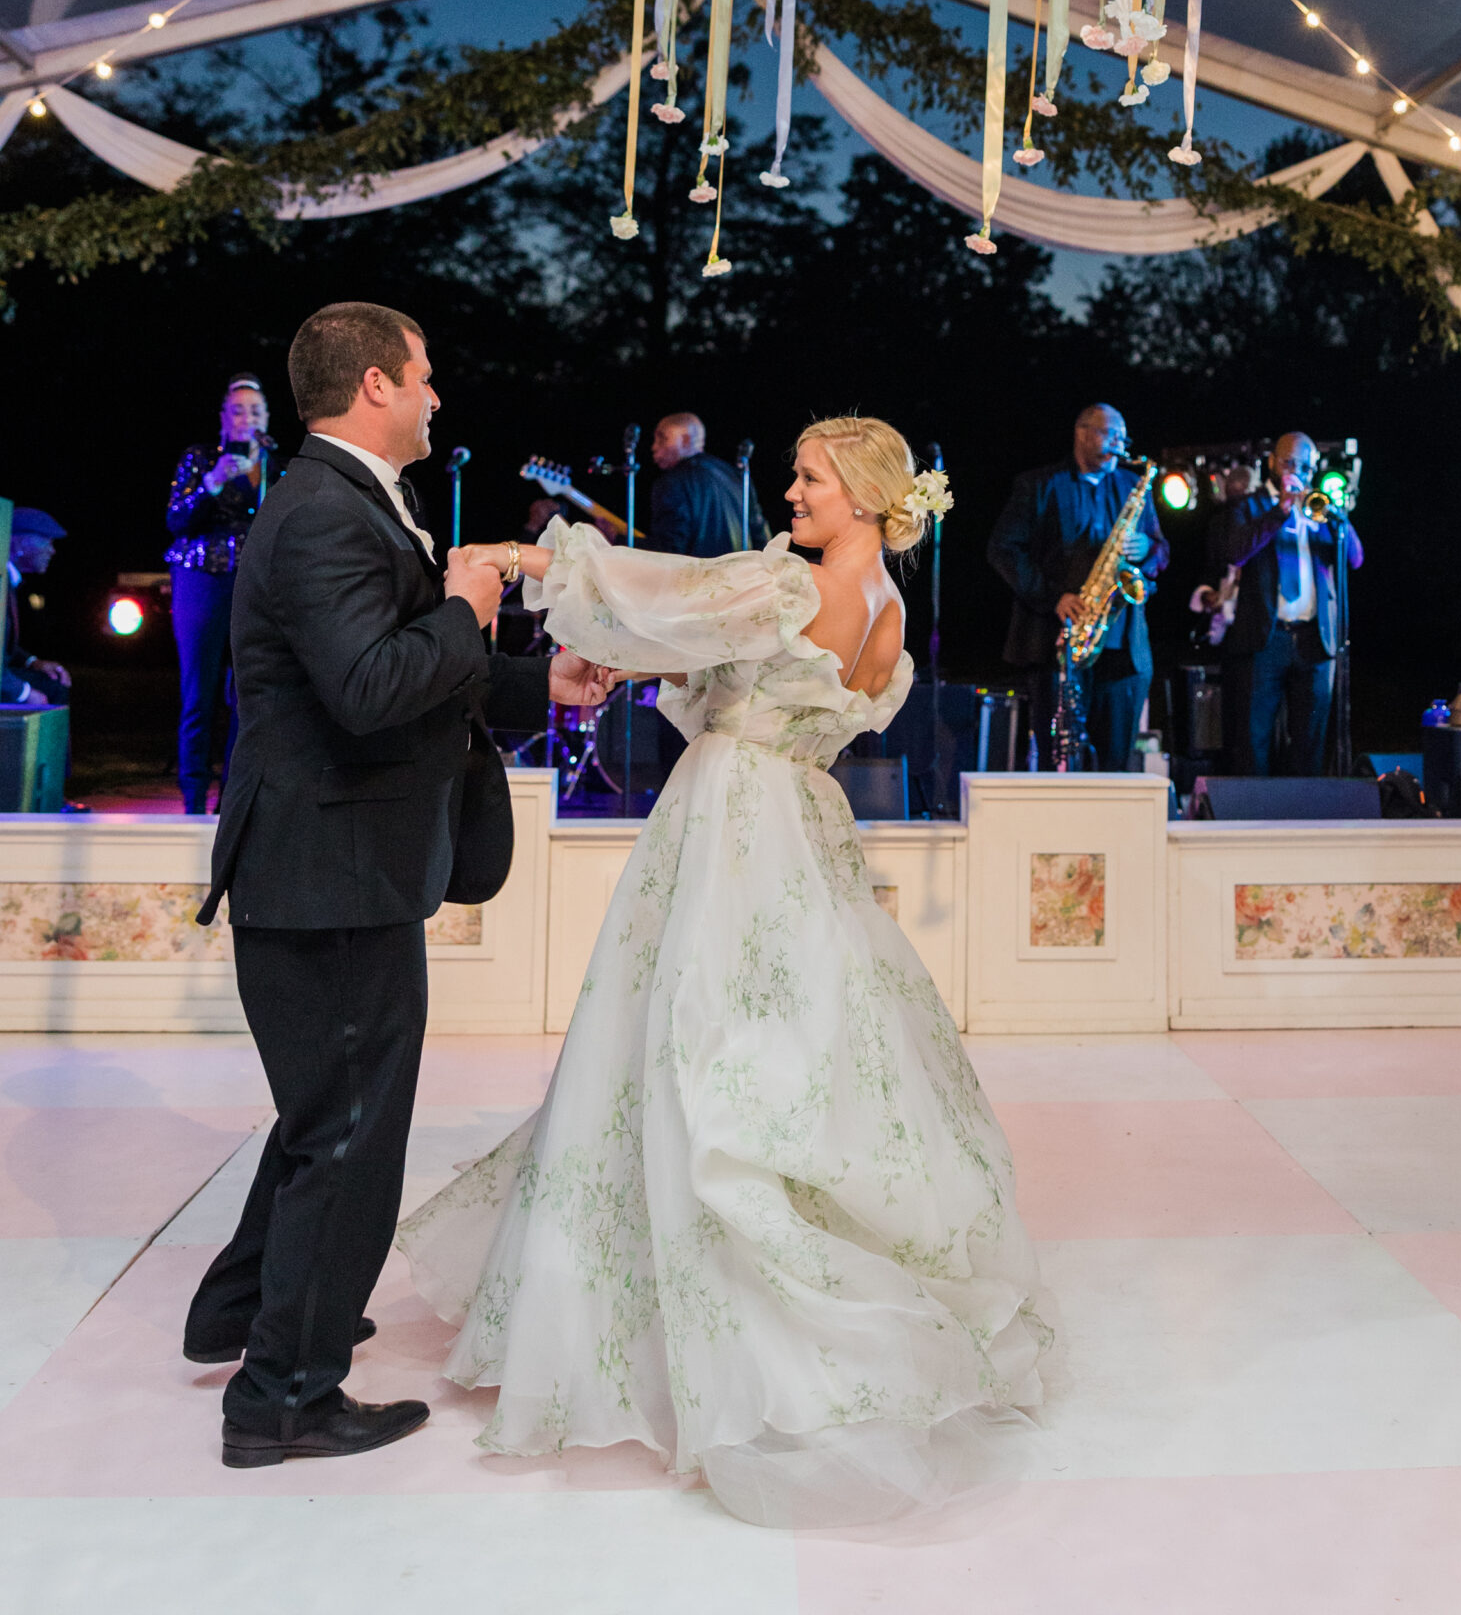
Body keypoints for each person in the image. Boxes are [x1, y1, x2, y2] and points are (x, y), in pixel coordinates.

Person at [399, 417, 1048, 1529]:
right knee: (796, 1049)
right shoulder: (889, 611)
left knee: (683, 1041)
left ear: (859, 495)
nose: (790, 492)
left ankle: (694, 1319)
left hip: (732, 820)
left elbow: (661, 590)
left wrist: (523, 559)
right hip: (804, 820)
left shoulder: (785, 589)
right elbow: (708, 647)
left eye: (808, 478)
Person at [182, 302, 605, 1471]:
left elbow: (414, 669)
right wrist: (472, 602)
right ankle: (284, 1397)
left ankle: (243, 1311)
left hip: (339, 869)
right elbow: (374, 685)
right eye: (424, 377)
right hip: (328, 875)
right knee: (349, 1133)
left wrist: (541, 685)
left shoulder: (349, 499)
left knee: (326, 1113)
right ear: (374, 383)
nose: (435, 396)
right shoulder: (322, 509)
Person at [987, 404, 1169, 769]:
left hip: (1122, 647)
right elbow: (1002, 550)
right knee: (1061, 761)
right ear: (1082, 433)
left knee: (1117, 762)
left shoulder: (1134, 485)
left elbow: (1161, 552)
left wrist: (1147, 549)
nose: (1118, 443)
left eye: (1123, 436)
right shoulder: (1039, 485)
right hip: (1059, 642)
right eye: (1109, 433)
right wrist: (1054, 597)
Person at [1212, 431, 1363, 776]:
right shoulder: (1248, 506)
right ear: (1272, 463)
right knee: (1255, 740)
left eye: (1306, 467)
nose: (1298, 472)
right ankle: (1257, 820)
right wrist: (1279, 511)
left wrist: (1338, 517)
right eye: (1290, 463)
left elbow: (1355, 558)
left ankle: (1305, 820)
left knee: (1310, 741)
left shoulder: (1320, 509)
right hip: (1266, 639)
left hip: (1315, 640)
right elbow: (1235, 552)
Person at [165, 376, 277, 813]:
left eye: (255, 410)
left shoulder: (273, 465)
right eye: (238, 409)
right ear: (224, 418)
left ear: (266, 418)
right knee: (199, 693)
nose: (246, 417)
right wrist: (211, 482)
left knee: (246, 692)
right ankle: (193, 795)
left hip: (253, 584)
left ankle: (233, 796)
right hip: (202, 578)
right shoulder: (199, 459)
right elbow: (176, 519)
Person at [646, 412, 769, 557]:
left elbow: (670, 550)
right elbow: (762, 537)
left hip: (699, 576)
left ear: (685, 440)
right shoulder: (736, 475)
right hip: (740, 574)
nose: (654, 447)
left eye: (662, 439)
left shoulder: (672, 482)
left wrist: (618, 540)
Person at [2, 509, 71, 707]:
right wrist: (23, 693)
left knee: (53, 681)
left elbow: (2, 646)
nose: (52, 550)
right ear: (22, 543)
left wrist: (32, 662)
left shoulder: (9, 581)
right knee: (50, 691)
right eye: (47, 541)